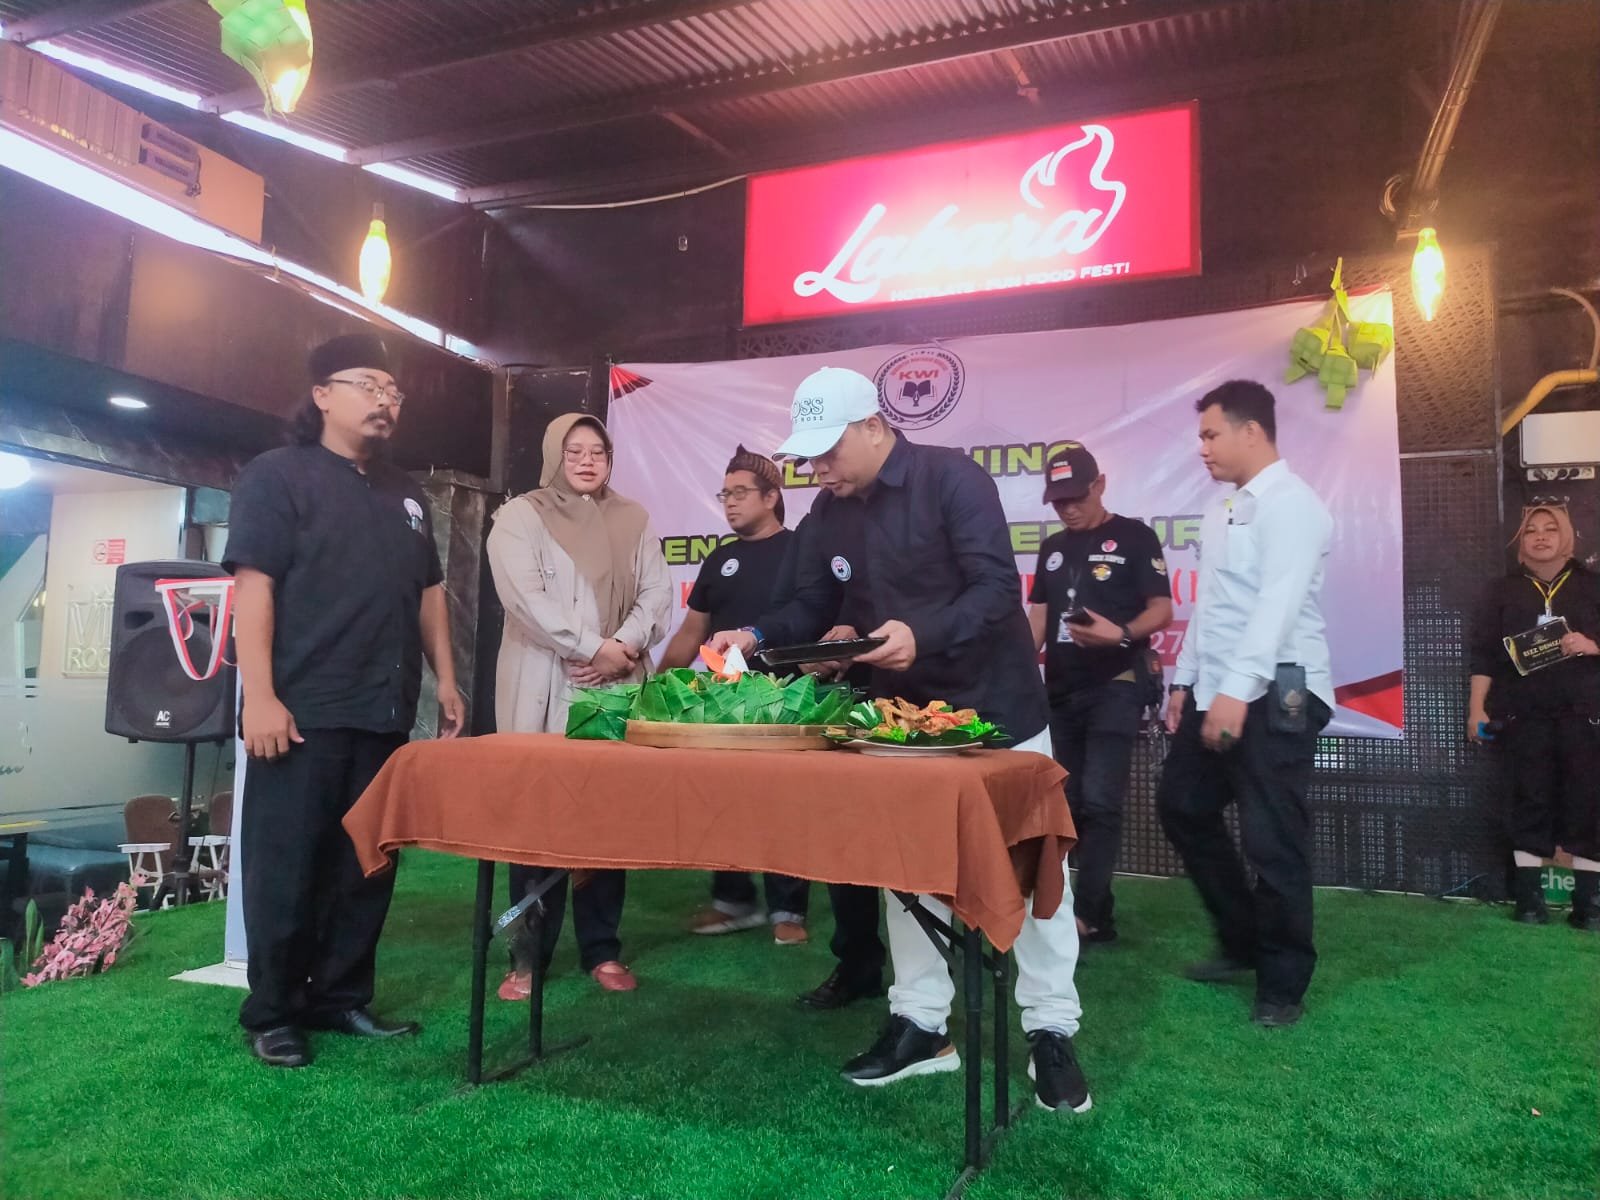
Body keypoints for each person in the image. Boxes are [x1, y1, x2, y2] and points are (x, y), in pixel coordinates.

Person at [711, 366, 1091, 1114]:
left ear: (874, 426)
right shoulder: (827, 512)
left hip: (999, 711)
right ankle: (921, 1023)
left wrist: (924, 634)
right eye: (810, 456)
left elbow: (995, 590)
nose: (818, 469)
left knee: (1036, 868)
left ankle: (1051, 1029)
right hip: (903, 723)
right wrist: (754, 635)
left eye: (829, 450)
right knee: (907, 868)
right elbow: (811, 602)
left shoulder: (953, 480)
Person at [226, 332, 464, 1069]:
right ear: (323, 394)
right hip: (300, 713)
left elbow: (429, 593)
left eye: (393, 391)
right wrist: (260, 696)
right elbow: (253, 587)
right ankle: (273, 1012)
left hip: (383, 712)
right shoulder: (277, 475)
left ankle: (340, 998)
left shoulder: (406, 493)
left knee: (367, 866)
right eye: (369, 385)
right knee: (286, 867)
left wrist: (446, 680)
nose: (385, 401)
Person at [1157, 379, 1333, 1029]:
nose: (1201, 448)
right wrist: (1185, 682)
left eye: (1211, 434)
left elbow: (1277, 604)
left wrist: (1237, 688)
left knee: (1272, 839)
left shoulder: (1294, 505)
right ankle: (1242, 939)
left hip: (1279, 690)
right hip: (1220, 689)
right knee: (1182, 804)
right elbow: (1214, 606)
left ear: (1251, 431)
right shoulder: (1224, 509)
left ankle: (1282, 984)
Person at [486, 412, 671, 996]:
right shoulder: (520, 516)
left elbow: (657, 593)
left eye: (598, 451)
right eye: (574, 451)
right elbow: (525, 600)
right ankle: (527, 958)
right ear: (553, 455)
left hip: (614, 685)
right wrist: (593, 647)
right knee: (537, 816)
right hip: (545, 680)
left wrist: (623, 648)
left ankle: (602, 948)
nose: (588, 461)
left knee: (605, 816)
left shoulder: (633, 518)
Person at [659, 446, 811, 944]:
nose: (729, 502)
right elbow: (692, 632)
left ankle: (789, 908)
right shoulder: (720, 559)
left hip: (787, 699)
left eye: (740, 493)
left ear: (771, 497)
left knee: (784, 803)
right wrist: (657, 685)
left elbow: (817, 617)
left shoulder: (800, 552)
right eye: (724, 494)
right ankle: (733, 901)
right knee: (722, 800)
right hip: (723, 702)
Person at [1027, 442, 1172, 944]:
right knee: (1064, 802)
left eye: (1076, 496)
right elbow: (1039, 619)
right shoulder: (1051, 548)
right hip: (1060, 691)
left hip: (1117, 683)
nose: (1068, 508)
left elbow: (1162, 609)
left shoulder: (1134, 536)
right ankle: (1078, 908)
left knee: (1101, 800)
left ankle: (1089, 914)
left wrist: (1122, 634)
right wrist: (1017, 669)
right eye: (1058, 500)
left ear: (1100, 485)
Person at [1467, 504, 1600, 929]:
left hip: (1584, 716)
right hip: (1523, 717)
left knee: (1588, 803)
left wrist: (1592, 645)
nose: (1540, 536)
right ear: (1520, 542)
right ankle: (1529, 901)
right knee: (1529, 800)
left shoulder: (1592, 585)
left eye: (1550, 528)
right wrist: (1476, 709)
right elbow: (1484, 656)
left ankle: (1589, 905)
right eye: (1531, 530)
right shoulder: (1501, 591)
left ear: (1567, 538)